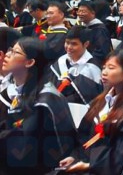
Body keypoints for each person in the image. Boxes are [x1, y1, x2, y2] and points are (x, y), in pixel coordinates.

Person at [59, 50, 123, 174]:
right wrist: (75, 157)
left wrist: (89, 165)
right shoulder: (102, 100)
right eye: (104, 67)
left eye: (111, 68)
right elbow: (83, 135)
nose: (104, 72)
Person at [0, 37, 77, 173]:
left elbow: (25, 147)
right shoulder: (13, 91)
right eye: (10, 50)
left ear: (29, 62)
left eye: (15, 52)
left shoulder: (46, 100)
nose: (7, 54)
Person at [48, 26, 102, 105]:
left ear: (86, 44)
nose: (69, 47)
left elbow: (87, 98)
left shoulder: (92, 68)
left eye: (74, 44)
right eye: (67, 42)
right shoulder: (61, 61)